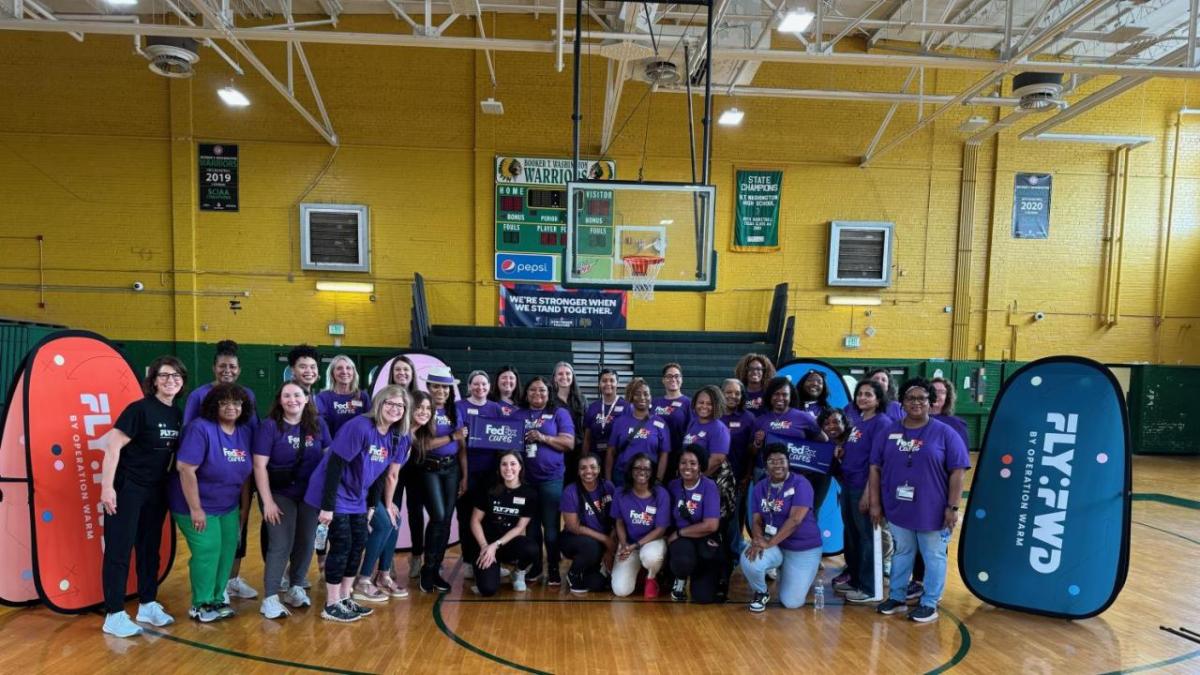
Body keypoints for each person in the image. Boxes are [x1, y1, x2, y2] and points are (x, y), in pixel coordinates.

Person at [303, 386, 410, 622]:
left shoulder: (396, 436)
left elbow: (381, 474)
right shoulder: (360, 427)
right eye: (389, 403)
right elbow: (334, 465)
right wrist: (328, 506)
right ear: (379, 404)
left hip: (358, 496)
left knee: (358, 542)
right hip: (334, 491)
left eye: (400, 405)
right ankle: (331, 604)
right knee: (342, 544)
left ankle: (345, 596)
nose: (394, 409)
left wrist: (372, 506)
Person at [99, 356, 187, 638]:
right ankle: (114, 615)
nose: (170, 380)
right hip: (128, 488)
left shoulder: (177, 413)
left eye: (176, 376)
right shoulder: (139, 410)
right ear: (154, 380)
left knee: (150, 548)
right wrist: (107, 488)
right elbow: (112, 446)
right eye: (164, 376)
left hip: (156, 489)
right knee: (119, 549)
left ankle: (148, 604)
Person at [870, 378, 971, 623]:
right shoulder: (889, 431)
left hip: (933, 509)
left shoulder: (945, 433)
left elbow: (958, 471)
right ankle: (897, 596)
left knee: (933, 555)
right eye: (911, 398)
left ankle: (929, 602)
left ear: (930, 402)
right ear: (902, 402)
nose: (916, 402)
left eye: (922, 398)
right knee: (902, 552)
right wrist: (875, 503)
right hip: (898, 507)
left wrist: (953, 507)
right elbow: (875, 467)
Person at [168, 383, 255, 623]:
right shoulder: (200, 429)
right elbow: (185, 469)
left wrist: (244, 510)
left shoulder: (244, 432)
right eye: (224, 402)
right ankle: (201, 604)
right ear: (213, 405)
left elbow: (247, 476)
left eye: (236, 403)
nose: (231, 407)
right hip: (193, 505)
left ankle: (217, 599)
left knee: (227, 551)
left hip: (228, 506)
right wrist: (196, 509)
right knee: (208, 550)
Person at [251, 382, 333, 618]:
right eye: (286, 395)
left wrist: (328, 499)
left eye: (297, 395)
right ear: (280, 400)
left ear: (307, 398)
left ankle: (296, 586)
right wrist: (267, 502)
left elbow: (330, 461)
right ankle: (270, 597)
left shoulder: (318, 425)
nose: (292, 400)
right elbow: (259, 465)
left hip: (311, 494)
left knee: (307, 540)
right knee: (280, 542)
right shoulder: (269, 427)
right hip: (280, 493)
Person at [740, 443, 823, 612]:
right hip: (775, 544)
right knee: (750, 558)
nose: (777, 464)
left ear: (788, 462)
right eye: (772, 461)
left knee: (791, 603)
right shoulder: (760, 487)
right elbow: (756, 520)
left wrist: (768, 544)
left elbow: (795, 520)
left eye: (781, 460)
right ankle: (761, 592)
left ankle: (794, 573)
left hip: (802, 548)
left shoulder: (801, 483)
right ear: (765, 466)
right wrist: (757, 539)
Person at [353, 387, 416, 603]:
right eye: (420, 409)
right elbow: (389, 474)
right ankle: (363, 580)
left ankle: (383, 575)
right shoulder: (370, 427)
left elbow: (389, 473)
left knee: (393, 520)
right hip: (360, 489)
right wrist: (385, 505)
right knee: (385, 523)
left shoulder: (405, 434)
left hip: (376, 488)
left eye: (401, 406)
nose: (424, 413)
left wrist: (388, 505)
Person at [833, 379, 892, 604]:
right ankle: (856, 579)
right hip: (848, 485)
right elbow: (854, 450)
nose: (863, 398)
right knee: (852, 534)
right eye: (860, 394)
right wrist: (841, 451)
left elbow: (877, 461)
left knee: (867, 537)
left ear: (878, 399)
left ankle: (870, 588)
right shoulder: (857, 421)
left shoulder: (882, 423)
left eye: (869, 394)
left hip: (864, 487)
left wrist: (870, 492)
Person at [519, 376, 576, 585]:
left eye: (542, 390)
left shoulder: (559, 413)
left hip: (551, 479)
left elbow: (569, 443)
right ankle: (535, 566)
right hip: (525, 481)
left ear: (549, 393)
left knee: (551, 529)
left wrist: (543, 438)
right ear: (526, 393)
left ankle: (553, 566)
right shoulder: (520, 414)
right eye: (533, 390)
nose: (537, 394)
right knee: (531, 528)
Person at [415, 366, 467, 593]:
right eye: (436, 386)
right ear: (428, 387)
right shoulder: (423, 410)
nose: (441, 391)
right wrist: (451, 436)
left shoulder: (455, 410)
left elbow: (462, 446)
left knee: (446, 520)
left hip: (452, 469)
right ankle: (427, 569)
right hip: (430, 470)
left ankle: (436, 570)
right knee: (437, 516)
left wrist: (465, 475)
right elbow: (421, 445)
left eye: (445, 387)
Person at [684, 385, 737, 598]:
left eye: (709, 403)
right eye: (701, 402)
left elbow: (717, 459)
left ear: (717, 406)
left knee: (718, 533)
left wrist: (693, 479)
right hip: (695, 481)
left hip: (715, 485)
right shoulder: (693, 423)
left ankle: (723, 579)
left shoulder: (719, 428)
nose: (704, 406)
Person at [470, 451, 539, 597]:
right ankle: (490, 570)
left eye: (513, 464)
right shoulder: (489, 488)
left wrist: (496, 545)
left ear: (520, 467)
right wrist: (485, 546)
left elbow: (520, 527)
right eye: (504, 464)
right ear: (498, 468)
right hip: (485, 543)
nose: (508, 468)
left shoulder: (529, 493)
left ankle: (518, 572)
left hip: (506, 543)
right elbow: (475, 520)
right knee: (488, 590)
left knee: (532, 549)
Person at [456, 370, 502, 581]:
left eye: (484, 384)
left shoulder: (495, 408)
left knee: (491, 517)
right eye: (476, 384)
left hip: (492, 472)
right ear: (469, 386)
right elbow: (460, 443)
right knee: (466, 517)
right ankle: (468, 560)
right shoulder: (460, 407)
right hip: (468, 471)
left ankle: (491, 559)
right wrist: (464, 476)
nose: (480, 388)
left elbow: (504, 438)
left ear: (489, 387)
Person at [666, 446, 723, 603]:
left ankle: (698, 575)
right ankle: (681, 578)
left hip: (702, 537)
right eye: (683, 462)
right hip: (682, 544)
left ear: (700, 466)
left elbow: (711, 525)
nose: (688, 467)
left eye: (693, 463)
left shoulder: (709, 486)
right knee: (683, 561)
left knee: (703, 598)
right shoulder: (673, 486)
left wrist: (679, 533)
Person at [609, 453, 670, 598]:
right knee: (621, 591)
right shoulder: (620, 493)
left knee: (650, 557)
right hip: (629, 544)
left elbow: (661, 529)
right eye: (637, 468)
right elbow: (619, 522)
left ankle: (651, 576)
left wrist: (635, 545)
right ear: (630, 471)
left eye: (646, 469)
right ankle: (638, 573)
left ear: (652, 472)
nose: (642, 471)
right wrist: (624, 545)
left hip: (651, 542)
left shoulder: (661, 494)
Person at [386, 355, 425, 580]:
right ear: (393, 373)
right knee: (391, 510)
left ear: (412, 374)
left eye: (406, 370)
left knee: (416, 511)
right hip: (393, 463)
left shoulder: (419, 399)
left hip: (416, 463)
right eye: (398, 370)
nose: (402, 374)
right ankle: (386, 559)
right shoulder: (385, 398)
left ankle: (417, 556)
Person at [559, 453, 616, 594]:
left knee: (597, 584)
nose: (588, 471)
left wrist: (609, 549)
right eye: (583, 468)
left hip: (603, 540)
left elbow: (617, 520)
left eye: (592, 467)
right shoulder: (570, 491)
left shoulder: (609, 487)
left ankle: (589, 569)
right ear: (578, 472)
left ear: (599, 469)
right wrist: (604, 539)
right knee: (592, 547)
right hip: (575, 539)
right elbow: (574, 526)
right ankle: (573, 574)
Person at [749, 376, 821, 477]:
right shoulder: (760, 421)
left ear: (790, 396)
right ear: (770, 396)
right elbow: (752, 452)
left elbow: (823, 440)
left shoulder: (804, 417)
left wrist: (810, 462)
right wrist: (757, 443)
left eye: (784, 394)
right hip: (765, 474)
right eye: (776, 394)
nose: (780, 398)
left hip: (795, 475)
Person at [605, 378, 669, 485]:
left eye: (646, 394)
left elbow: (664, 454)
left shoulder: (660, 423)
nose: (642, 397)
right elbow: (610, 452)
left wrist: (658, 479)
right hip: (622, 476)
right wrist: (608, 480)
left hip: (649, 477)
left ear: (650, 397)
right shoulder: (620, 422)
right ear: (631, 397)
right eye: (637, 394)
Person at [182, 339, 257, 426]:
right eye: (222, 366)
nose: (227, 371)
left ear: (239, 370)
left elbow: (254, 426)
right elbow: (188, 429)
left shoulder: (248, 394)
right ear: (214, 368)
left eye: (232, 367)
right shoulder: (197, 395)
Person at [315, 355, 371, 437]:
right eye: (339, 368)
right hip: (332, 446)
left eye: (348, 368)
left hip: (357, 445)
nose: (344, 371)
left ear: (353, 372)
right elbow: (321, 426)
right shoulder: (323, 397)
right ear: (332, 373)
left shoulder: (363, 396)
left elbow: (369, 424)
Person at [652, 363, 692, 479]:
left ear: (681, 379)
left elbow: (691, 432)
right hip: (655, 456)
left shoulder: (688, 403)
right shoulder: (655, 403)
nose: (673, 379)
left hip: (677, 456)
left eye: (676, 376)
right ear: (663, 380)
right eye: (669, 376)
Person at [581, 368, 625, 467]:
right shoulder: (592, 407)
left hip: (618, 459)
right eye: (604, 381)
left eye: (612, 380)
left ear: (617, 383)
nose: (608, 384)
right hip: (595, 459)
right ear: (599, 384)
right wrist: (584, 460)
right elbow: (587, 438)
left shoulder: (626, 407)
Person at [551, 361, 587, 479]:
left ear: (573, 377)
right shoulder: (549, 401)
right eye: (560, 374)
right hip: (558, 449)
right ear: (555, 378)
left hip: (579, 451)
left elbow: (587, 428)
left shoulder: (581, 399)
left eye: (567, 373)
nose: (564, 377)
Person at [720, 378, 756, 487]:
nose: (733, 396)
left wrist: (747, 476)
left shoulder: (749, 418)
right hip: (713, 476)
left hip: (738, 477)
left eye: (737, 393)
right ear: (721, 393)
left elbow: (752, 453)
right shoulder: (712, 415)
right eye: (728, 392)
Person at [930, 377, 970, 448]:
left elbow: (962, 453)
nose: (936, 395)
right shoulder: (913, 421)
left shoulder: (956, 424)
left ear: (947, 397)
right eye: (932, 391)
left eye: (941, 392)